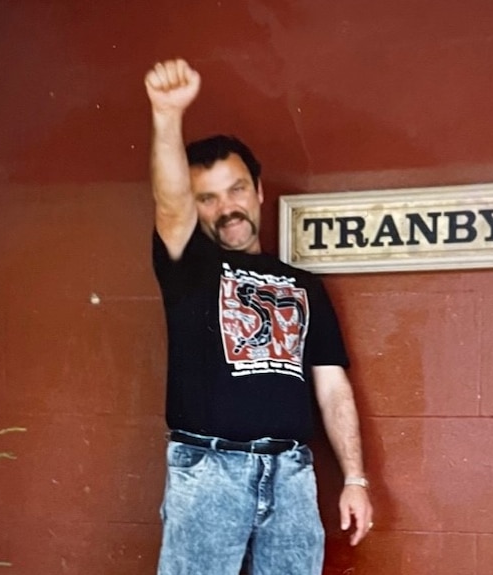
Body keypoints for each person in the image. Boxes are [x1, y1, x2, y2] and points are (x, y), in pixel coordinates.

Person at [144, 58, 374, 575]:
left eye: (236, 189)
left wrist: (355, 479)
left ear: (259, 191)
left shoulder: (304, 285)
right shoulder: (188, 267)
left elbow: (332, 388)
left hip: (292, 474)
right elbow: (169, 205)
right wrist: (166, 116)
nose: (226, 207)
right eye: (207, 198)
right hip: (210, 471)